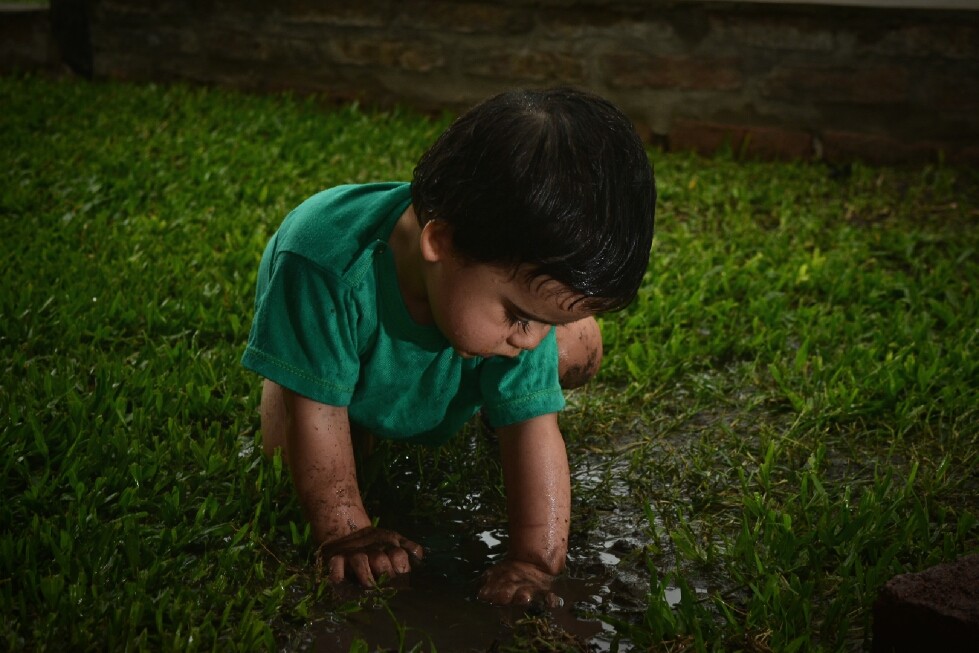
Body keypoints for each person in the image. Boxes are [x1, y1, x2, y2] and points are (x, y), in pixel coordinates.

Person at [242, 87, 656, 606]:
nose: (529, 339)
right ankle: (326, 389)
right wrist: (346, 530)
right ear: (440, 243)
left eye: (544, 321)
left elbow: (534, 430)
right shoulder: (322, 262)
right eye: (520, 315)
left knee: (578, 352)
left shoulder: (515, 321)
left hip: (463, 339)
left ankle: (535, 356)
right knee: (293, 456)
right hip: (332, 377)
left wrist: (533, 562)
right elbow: (318, 420)